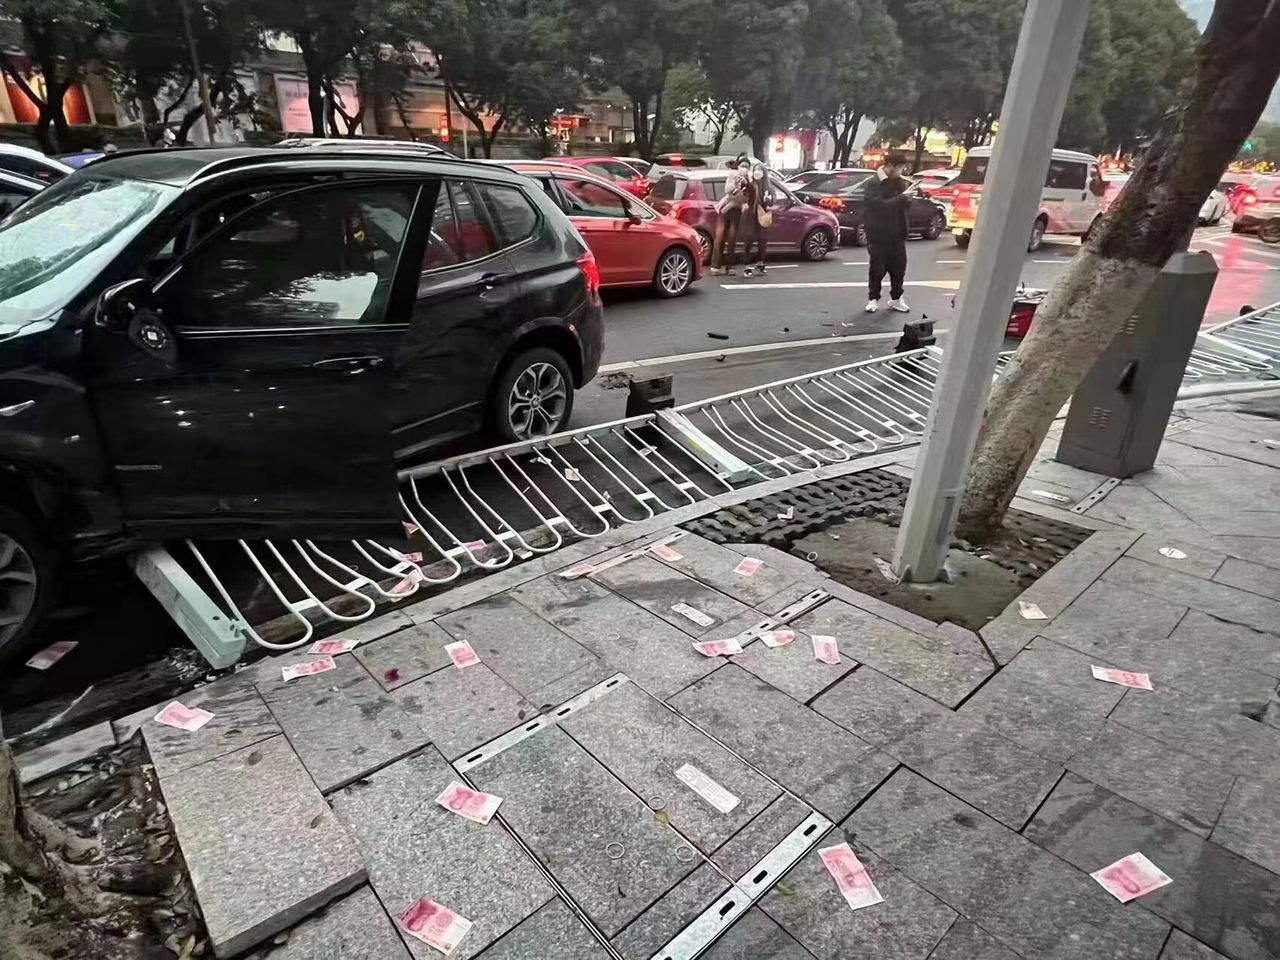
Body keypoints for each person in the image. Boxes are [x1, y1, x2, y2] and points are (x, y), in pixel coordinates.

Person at [862, 151, 913, 314]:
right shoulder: (874, 183)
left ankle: (896, 298)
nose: (901, 172)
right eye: (900, 168)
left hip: (897, 233)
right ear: (890, 166)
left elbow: (902, 206)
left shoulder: (900, 182)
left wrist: (908, 199)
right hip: (878, 234)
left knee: (899, 268)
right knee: (877, 268)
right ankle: (873, 299)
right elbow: (877, 206)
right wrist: (902, 199)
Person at [710, 156, 751, 276]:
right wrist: (736, 184)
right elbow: (727, 190)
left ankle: (730, 266)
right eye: (742, 166)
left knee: (732, 239)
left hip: (736, 211)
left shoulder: (748, 181)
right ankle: (715, 265)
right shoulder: (733, 175)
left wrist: (744, 186)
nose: (744, 169)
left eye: (747, 167)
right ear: (738, 166)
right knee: (720, 237)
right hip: (725, 210)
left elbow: (746, 198)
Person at [740, 161, 773, 277]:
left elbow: (771, 201)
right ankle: (747, 266)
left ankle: (760, 263)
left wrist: (768, 200)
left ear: (764, 173)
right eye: (755, 170)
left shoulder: (768, 187)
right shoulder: (750, 184)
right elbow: (745, 195)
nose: (757, 172)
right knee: (749, 240)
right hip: (751, 216)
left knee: (762, 241)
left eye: (760, 170)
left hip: (763, 216)